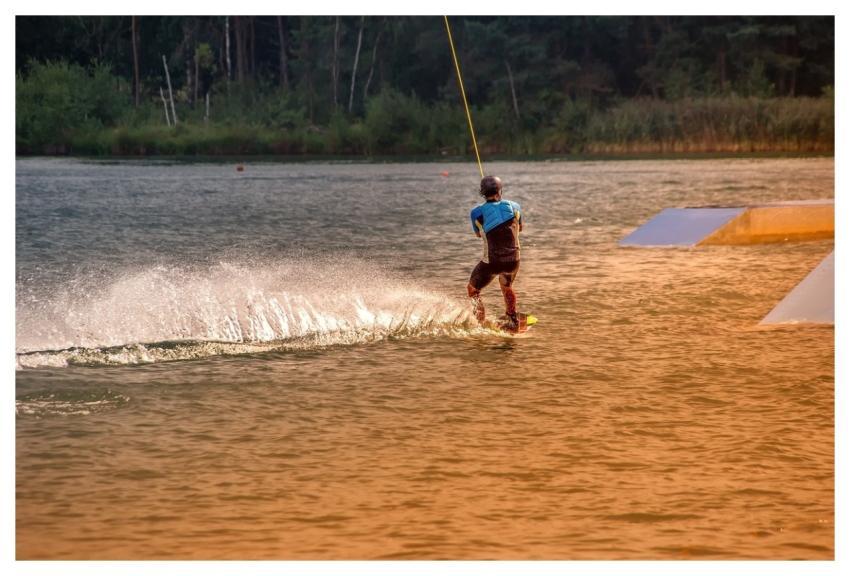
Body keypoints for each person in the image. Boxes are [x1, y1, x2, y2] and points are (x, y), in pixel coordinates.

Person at [467, 175, 523, 331]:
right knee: (506, 285)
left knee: (473, 289)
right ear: (500, 191)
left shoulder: (476, 213)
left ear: (483, 193)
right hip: (514, 260)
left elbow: (478, 234)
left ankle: (479, 323)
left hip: (492, 262)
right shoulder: (515, 206)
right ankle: (512, 318)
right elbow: (520, 228)